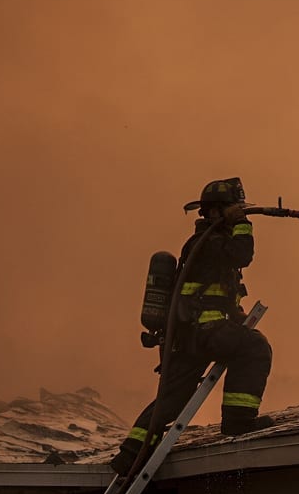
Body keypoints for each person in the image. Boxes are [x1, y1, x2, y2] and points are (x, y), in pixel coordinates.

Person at [113, 176, 275, 474]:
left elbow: (216, 291)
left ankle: (130, 453)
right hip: (204, 330)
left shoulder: (203, 244)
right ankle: (239, 420)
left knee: (173, 397)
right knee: (255, 347)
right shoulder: (213, 242)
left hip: (188, 335)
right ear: (215, 211)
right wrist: (243, 224)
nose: (239, 212)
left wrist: (236, 315)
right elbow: (243, 254)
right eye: (234, 208)